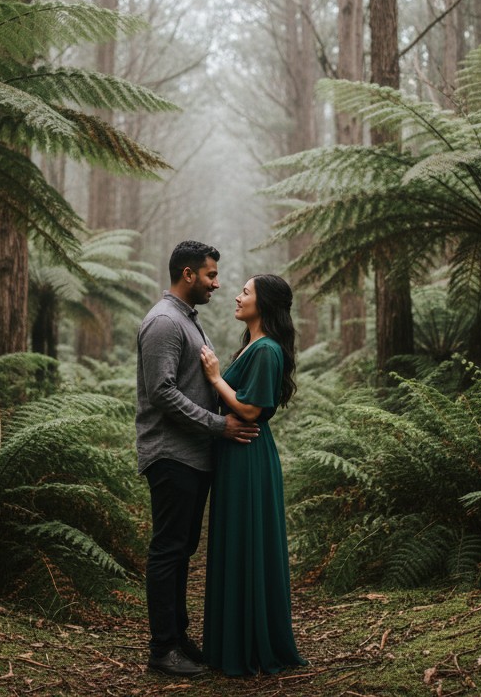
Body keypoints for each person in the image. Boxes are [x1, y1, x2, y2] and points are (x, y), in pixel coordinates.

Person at [136, 240, 259, 679]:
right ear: (188, 274)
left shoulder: (187, 321)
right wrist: (218, 425)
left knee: (181, 549)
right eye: (210, 275)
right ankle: (162, 649)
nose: (217, 283)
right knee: (169, 549)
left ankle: (178, 638)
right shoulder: (164, 322)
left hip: (191, 456)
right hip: (171, 454)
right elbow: (161, 391)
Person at [199, 273, 308, 676]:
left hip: (248, 453)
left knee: (245, 540)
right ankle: (234, 640)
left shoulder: (266, 350)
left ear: (264, 303)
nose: (238, 296)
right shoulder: (253, 346)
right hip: (238, 454)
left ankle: (248, 644)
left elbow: (250, 409)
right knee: (237, 540)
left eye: (246, 291)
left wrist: (213, 378)